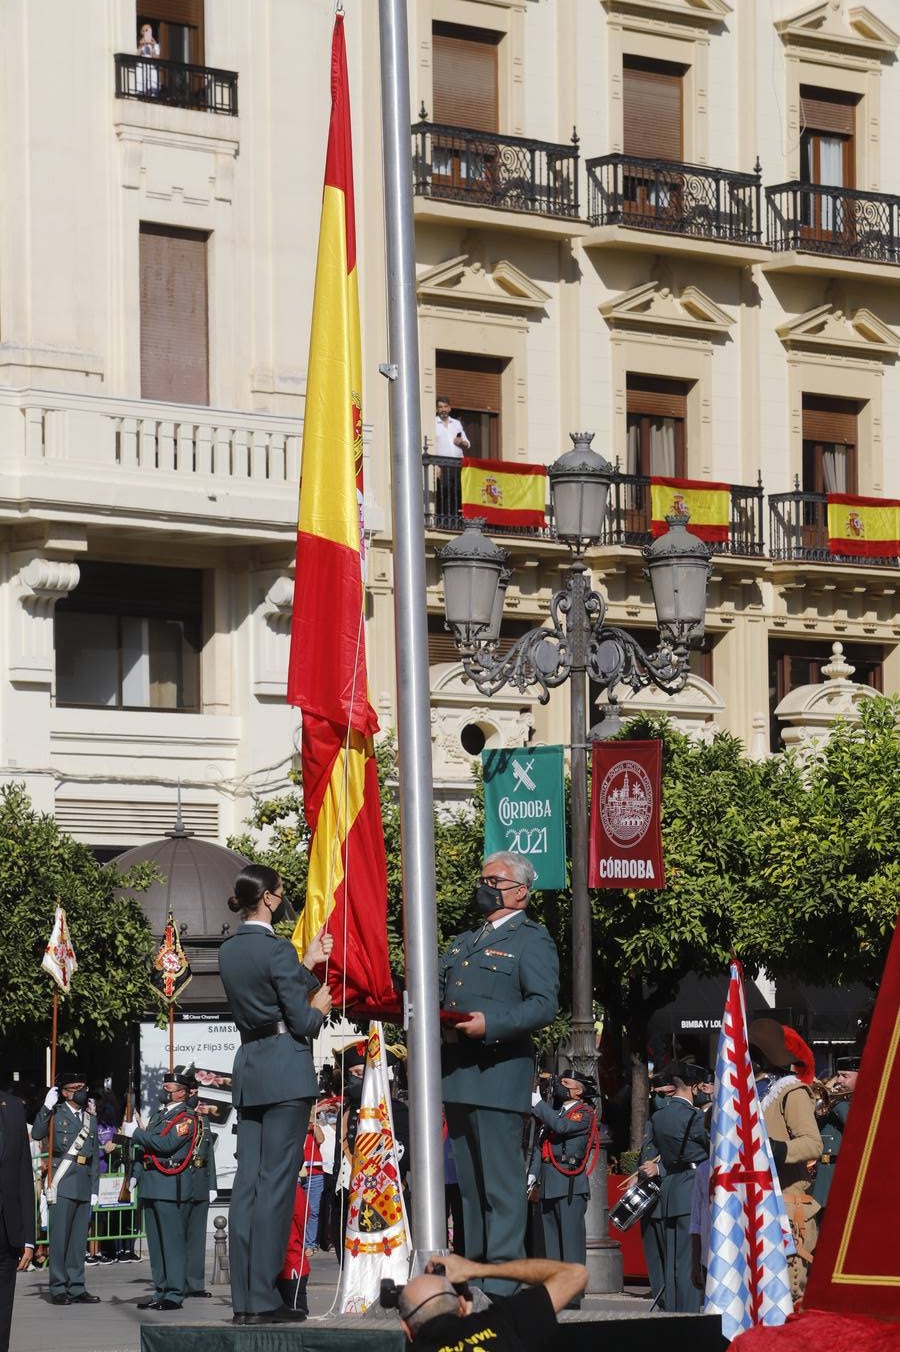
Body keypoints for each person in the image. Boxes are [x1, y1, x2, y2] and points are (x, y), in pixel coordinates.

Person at [439, 851, 559, 1296]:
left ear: (521, 891)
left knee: (502, 1186)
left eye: (495, 880)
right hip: (458, 1075)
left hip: (498, 1073)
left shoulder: (532, 940)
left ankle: (504, 1281)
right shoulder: (463, 941)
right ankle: (477, 1274)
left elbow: (544, 1004)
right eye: (483, 877)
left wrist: (492, 1024)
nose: (485, 886)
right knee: (470, 1187)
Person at [218, 863, 332, 1325]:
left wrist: (304, 964)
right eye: (281, 893)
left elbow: (268, 995)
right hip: (286, 1070)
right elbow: (301, 1022)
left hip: (251, 1068)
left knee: (247, 1187)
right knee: (276, 1189)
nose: (283, 899)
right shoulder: (275, 949)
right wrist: (319, 1005)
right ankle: (265, 1296)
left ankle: (246, 1299)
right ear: (267, 898)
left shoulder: (230, 950)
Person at [748, 1018, 823, 1303]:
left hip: (787, 1207)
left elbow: (812, 1144)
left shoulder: (790, 1091)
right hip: (755, 1205)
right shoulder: (748, 1095)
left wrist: (768, 1150)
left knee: (790, 1300)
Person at [122, 1064, 198, 1311]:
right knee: (155, 1244)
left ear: (182, 1093)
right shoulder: (158, 1115)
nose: (165, 1089)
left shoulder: (186, 1118)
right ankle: (161, 1290)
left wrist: (136, 1134)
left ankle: (175, 1294)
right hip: (152, 1184)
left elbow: (165, 1144)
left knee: (172, 1244)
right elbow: (148, 1148)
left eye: (170, 1087)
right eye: (165, 1086)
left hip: (170, 1185)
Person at [397, 1253, 587, 1350]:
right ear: (463, 1306)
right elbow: (575, 1274)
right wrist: (477, 1269)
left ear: (406, 1329)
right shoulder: (502, 1322)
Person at [638, 1060, 710, 1313]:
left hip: (670, 1190)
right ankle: (688, 1316)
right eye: (700, 1086)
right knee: (690, 1260)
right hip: (692, 1191)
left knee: (672, 1262)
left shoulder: (659, 1116)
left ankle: (672, 1313)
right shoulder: (697, 1117)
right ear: (692, 1087)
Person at [30, 1071, 100, 1306]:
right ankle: (59, 1287)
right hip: (62, 1182)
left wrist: (94, 1188)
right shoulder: (56, 1113)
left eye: (83, 1086)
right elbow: (37, 1133)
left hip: (82, 1182)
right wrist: (46, 1107)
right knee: (59, 1240)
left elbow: (94, 1153)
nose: (81, 1091)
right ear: (65, 1092)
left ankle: (77, 1286)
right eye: (75, 1087)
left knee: (79, 1241)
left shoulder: (90, 1118)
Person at [529, 1071, 598, 1297]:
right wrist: (532, 1174)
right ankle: (554, 1291)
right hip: (549, 1183)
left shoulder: (584, 1113)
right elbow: (541, 1145)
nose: (559, 1085)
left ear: (578, 1090)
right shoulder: (555, 1113)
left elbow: (562, 1128)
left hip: (569, 1183)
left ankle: (574, 1293)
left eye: (566, 1083)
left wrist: (538, 1105)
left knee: (571, 1243)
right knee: (550, 1245)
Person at [0, 1089, 35, 1352]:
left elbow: (24, 1171)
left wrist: (29, 1238)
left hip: (7, 1230)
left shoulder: (12, 1106)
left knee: (3, 1314)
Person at [181, 1069, 217, 1298]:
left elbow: (209, 1154)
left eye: (196, 1090)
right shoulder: (175, 1118)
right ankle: (177, 1281)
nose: (194, 1095)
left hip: (200, 1181)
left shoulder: (202, 1117)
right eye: (191, 1091)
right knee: (179, 1235)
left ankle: (195, 1283)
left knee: (196, 1236)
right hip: (181, 1180)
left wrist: (212, 1184)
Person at [433, 396, 470, 519]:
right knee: (445, 492)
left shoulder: (456, 423)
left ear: (449, 408)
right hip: (443, 464)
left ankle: (457, 518)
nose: (443, 409)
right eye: (440, 407)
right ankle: (445, 519)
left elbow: (467, 443)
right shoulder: (433, 423)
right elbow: (432, 445)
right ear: (437, 410)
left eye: (445, 407)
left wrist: (461, 442)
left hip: (458, 463)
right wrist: (436, 466)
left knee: (458, 492)